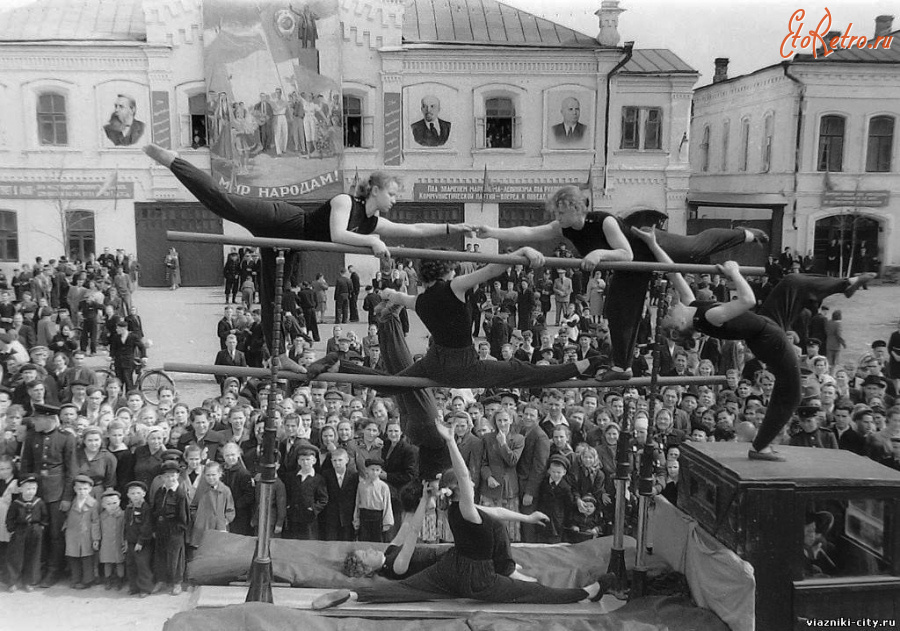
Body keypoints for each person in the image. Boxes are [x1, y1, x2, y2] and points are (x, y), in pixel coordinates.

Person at [144, 143, 471, 347]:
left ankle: (277, 356)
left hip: (288, 247)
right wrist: (372, 241)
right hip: (283, 222)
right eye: (393, 193)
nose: (395, 200)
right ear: (375, 191)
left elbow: (414, 228)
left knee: (276, 296)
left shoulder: (373, 222)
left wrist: (452, 226)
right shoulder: (345, 202)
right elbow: (338, 237)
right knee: (223, 202)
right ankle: (173, 160)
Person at [312, 418, 615, 610]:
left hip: (450, 569)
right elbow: (460, 477)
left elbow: (491, 507)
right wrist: (449, 441)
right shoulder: (462, 507)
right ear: (460, 489)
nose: (470, 482)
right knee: (530, 592)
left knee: (403, 590)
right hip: (477, 577)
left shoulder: (455, 509)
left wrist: (527, 518)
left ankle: (353, 596)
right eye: (466, 483)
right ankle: (584, 594)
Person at [633, 226, 874, 461]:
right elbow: (747, 300)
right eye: (667, 316)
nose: (667, 309)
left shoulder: (692, 305)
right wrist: (734, 272)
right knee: (790, 391)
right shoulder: (708, 317)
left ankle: (846, 284)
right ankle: (760, 446)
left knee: (792, 282)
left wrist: (653, 243)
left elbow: (673, 272)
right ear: (677, 329)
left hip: (767, 321)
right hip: (768, 339)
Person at [476, 185, 765, 380]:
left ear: (578, 209)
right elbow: (528, 231)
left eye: (562, 212)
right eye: (557, 213)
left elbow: (624, 252)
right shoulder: (562, 227)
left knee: (695, 248)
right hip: (630, 267)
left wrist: (599, 253)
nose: (558, 217)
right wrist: (493, 232)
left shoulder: (604, 221)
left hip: (647, 247)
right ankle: (622, 366)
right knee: (618, 310)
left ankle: (743, 234)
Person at [5, 475, 48, 592]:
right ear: (21, 489)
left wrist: (42, 526)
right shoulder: (16, 504)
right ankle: (13, 581)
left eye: (33, 489)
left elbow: (44, 516)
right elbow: (10, 518)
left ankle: (28, 581)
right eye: (28, 489)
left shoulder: (39, 503)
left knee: (32, 557)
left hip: (34, 531)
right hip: (20, 531)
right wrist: (12, 529)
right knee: (16, 557)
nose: (30, 492)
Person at [65, 474, 101, 589]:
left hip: (86, 534)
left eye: (85, 489)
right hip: (72, 534)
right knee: (73, 557)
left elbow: (95, 521)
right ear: (75, 489)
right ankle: (75, 579)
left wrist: (96, 538)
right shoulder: (73, 502)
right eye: (79, 489)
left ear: (90, 489)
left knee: (87, 558)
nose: (82, 492)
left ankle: (87, 580)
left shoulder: (93, 503)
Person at [123, 481, 154, 598]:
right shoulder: (129, 508)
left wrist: (141, 541)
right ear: (128, 495)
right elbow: (126, 526)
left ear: (144, 494)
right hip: (130, 541)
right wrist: (125, 540)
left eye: (138, 493)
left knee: (142, 564)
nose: (135, 496)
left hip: (142, 543)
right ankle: (134, 587)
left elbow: (147, 526)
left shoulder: (146, 508)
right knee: (131, 564)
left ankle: (145, 588)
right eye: (132, 493)